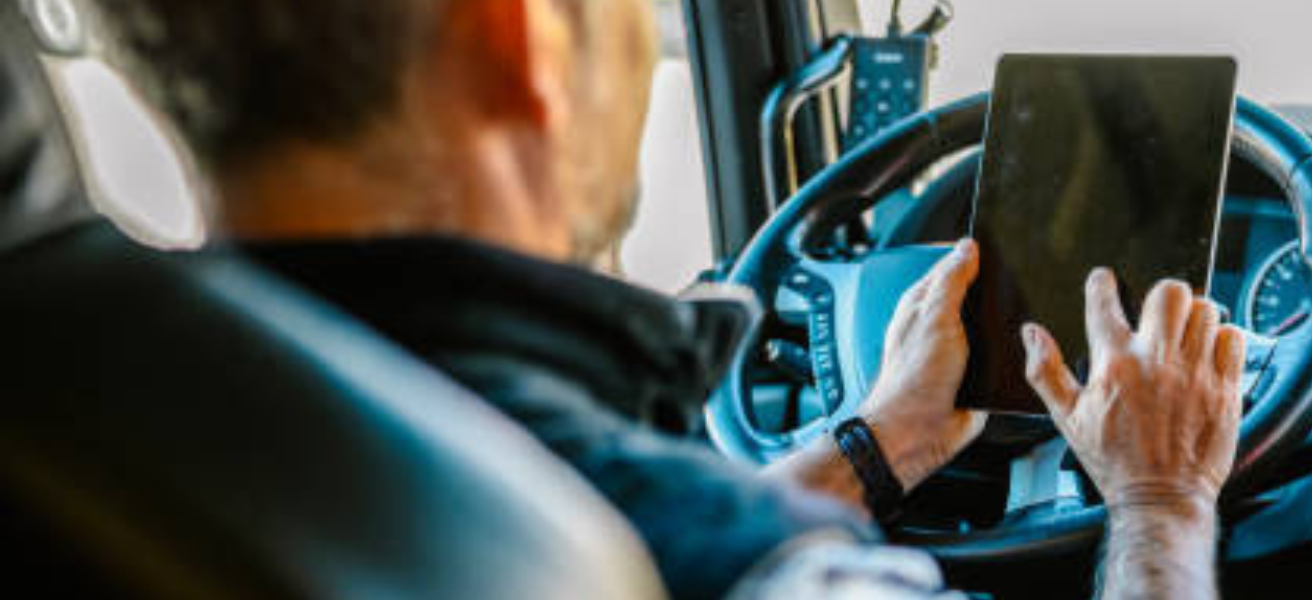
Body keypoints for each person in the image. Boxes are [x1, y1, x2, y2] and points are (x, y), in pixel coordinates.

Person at [91, 1, 1246, 598]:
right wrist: (1161, 495)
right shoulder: (778, 578)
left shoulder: (106, 431)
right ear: (523, 42)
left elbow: (589, 522)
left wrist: (878, 443)